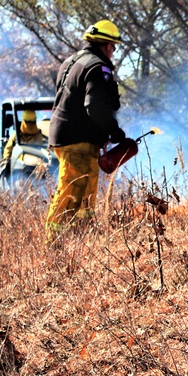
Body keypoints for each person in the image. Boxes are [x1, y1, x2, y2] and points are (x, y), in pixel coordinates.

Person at [46, 20, 127, 240]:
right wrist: (113, 131)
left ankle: (80, 242)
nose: (113, 52)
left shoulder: (70, 63)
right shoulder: (97, 67)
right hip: (77, 140)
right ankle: (54, 247)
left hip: (72, 138)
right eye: (114, 47)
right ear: (108, 45)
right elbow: (95, 106)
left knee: (85, 195)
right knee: (71, 192)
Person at [0, 110, 48, 180]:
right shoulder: (17, 135)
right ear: (24, 121)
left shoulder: (38, 136)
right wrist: (6, 160)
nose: (30, 125)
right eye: (28, 122)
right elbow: (8, 149)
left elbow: (39, 150)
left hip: (34, 160)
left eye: (32, 122)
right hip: (19, 159)